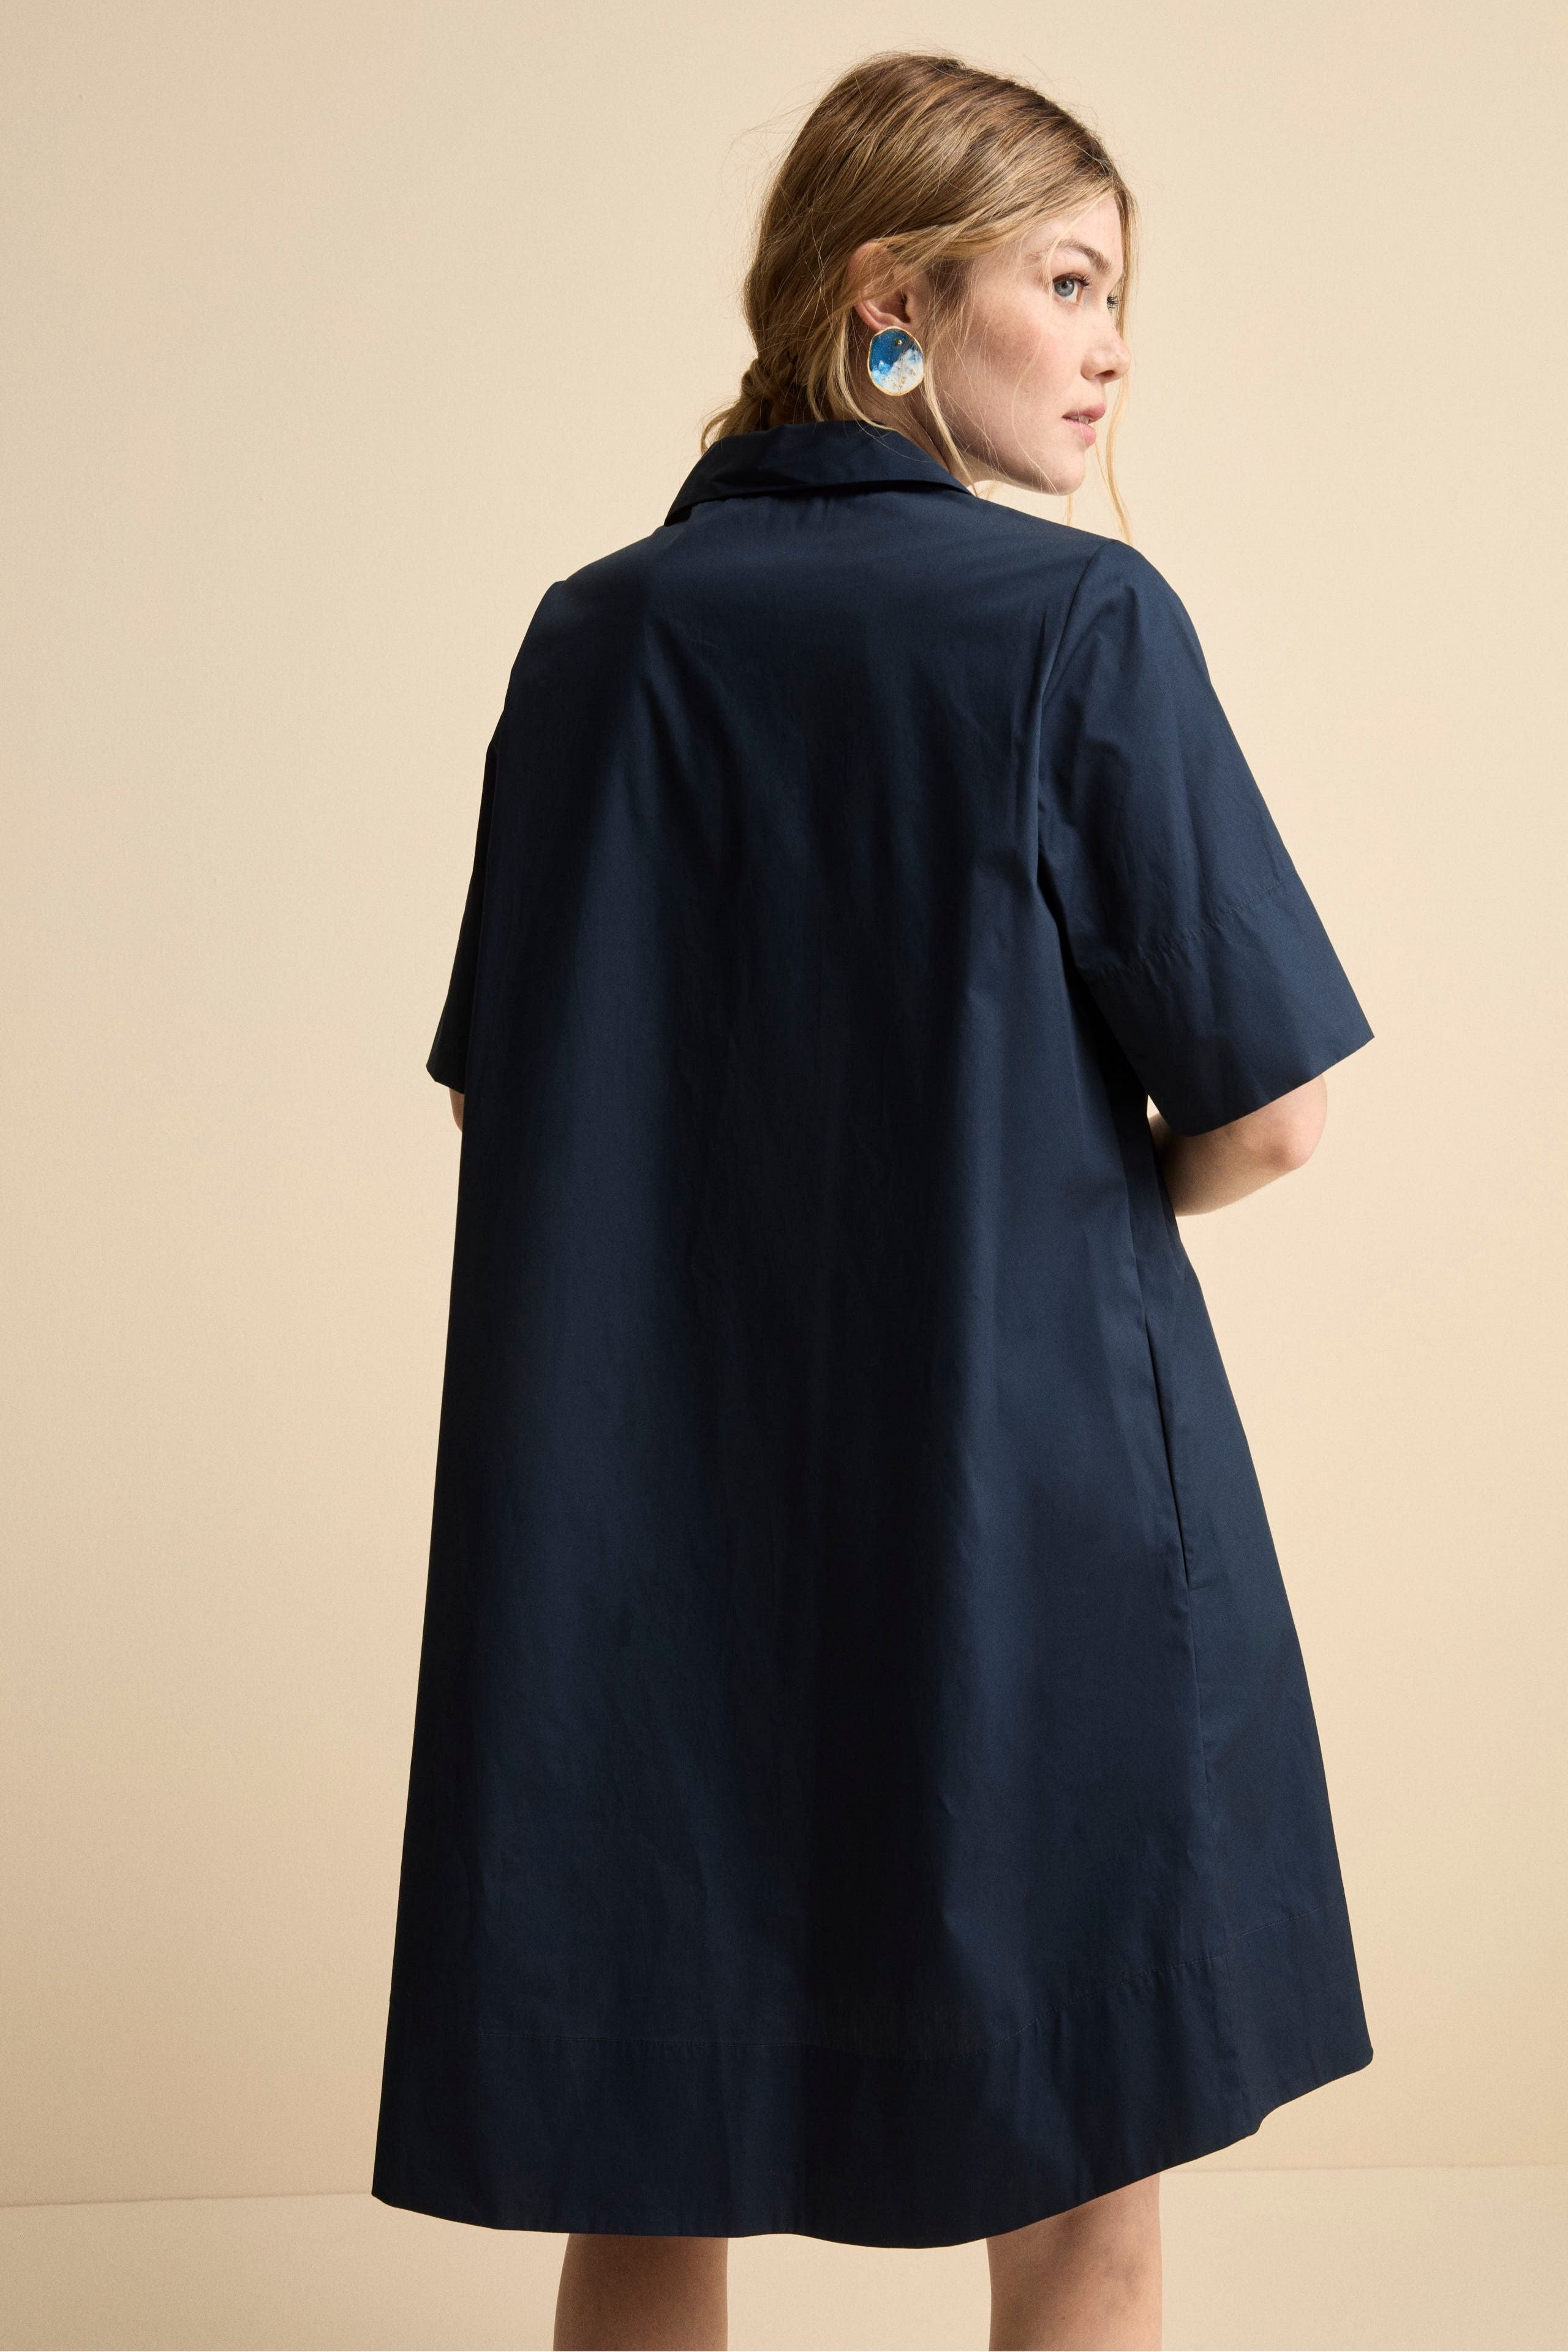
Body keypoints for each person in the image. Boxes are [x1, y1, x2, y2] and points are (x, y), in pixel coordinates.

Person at [371, 50, 1376, 2352]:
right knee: (1082, 2180)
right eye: (1069, 282)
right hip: (1028, 1519)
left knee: (644, 2175)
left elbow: (507, 1098)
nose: (1114, 348)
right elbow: (1274, 1116)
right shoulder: (1077, 623)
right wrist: (1048, 1204)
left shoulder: (592, 636)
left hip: (634, 1543)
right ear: (892, 298)